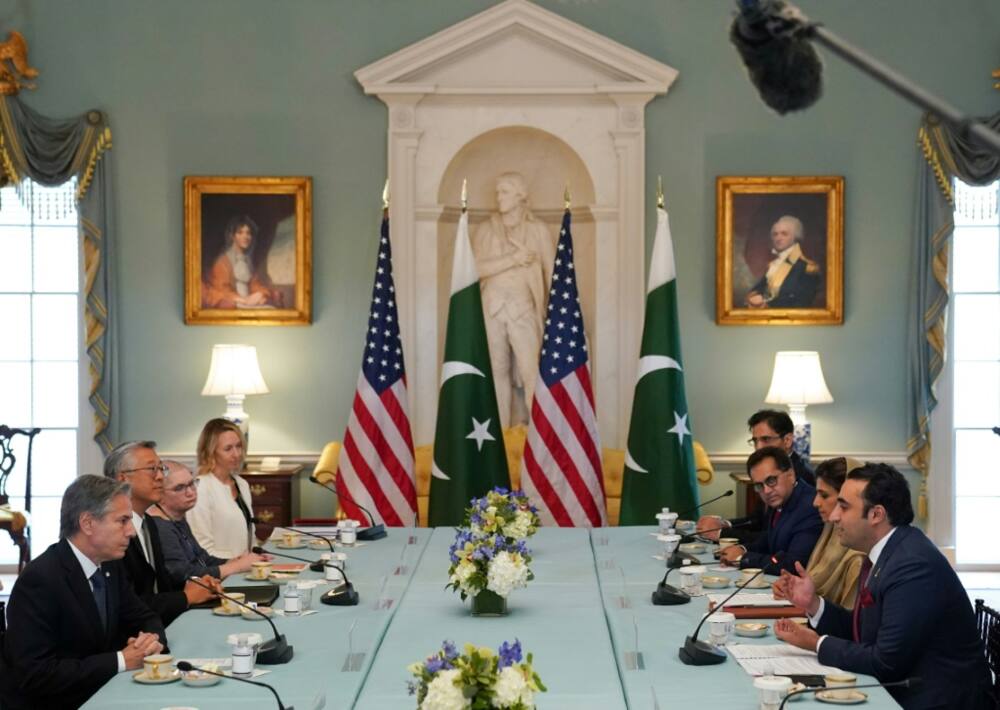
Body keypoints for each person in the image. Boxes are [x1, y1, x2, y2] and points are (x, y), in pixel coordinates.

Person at [773, 463, 993, 709]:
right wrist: (813, 605)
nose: (834, 515)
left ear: (876, 514)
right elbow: (867, 631)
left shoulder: (912, 566)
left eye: (844, 507)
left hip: (936, 700)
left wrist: (815, 643)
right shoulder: (890, 551)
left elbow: (884, 662)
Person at [0, 476, 167, 709]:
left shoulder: (110, 564)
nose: (130, 531)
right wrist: (121, 660)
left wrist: (149, 642)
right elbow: (36, 674)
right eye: (122, 521)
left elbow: (145, 616)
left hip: (100, 693)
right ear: (87, 523)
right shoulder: (41, 579)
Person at [472, 172, 556, 427]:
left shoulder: (538, 231)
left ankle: (541, 436)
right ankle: (499, 435)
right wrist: (512, 260)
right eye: (497, 192)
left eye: (505, 191)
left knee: (532, 372)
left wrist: (556, 315)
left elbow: (553, 274)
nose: (499, 197)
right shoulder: (486, 229)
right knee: (496, 373)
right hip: (492, 308)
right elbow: (474, 270)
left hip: (524, 309)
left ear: (521, 196)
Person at [104, 440, 218, 625]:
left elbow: (161, 588)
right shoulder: (110, 533)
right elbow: (127, 605)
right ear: (123, 478)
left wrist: (199, 585)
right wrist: (186, 596)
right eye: (152, 470)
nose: (159, 477)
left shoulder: (149, 523)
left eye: (161, 469)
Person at [698, 409, 815, 543]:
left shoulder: (802, 475)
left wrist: (721, 533)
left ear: (787, 440)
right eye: (755, 441)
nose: (759, 447)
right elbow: (758, 519)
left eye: (766, 439)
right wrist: (726, 524)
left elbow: (773, 537)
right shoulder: (764, 473)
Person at [149, 460, 267, 586]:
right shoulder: (160, 527)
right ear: (159, 493)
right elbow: (184, 575)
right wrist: (236, 567)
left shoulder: (177, 517)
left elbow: (203, 560)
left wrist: (235, 561)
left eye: (191, 483)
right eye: (179, 488)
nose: (190, 492)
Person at [772, 456, 865, 608]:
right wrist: (793, 588)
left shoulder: (858, 559)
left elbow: (850, 624)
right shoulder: (829, 534)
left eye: (824, 495)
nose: (815, 502)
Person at [717, 447, 823, 575]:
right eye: (759, 485)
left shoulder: (810, 506)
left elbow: (794, 564)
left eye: (771, 480)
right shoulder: (782, 498)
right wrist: (742, 549)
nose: (766, 491)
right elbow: (771, 540)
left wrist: (743, 558)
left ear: (790, 475)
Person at [187, 418, 262, 558]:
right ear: (210, 452)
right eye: (228, 449)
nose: (237, 454)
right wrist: (239, 563)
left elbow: (250, 539)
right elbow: (202, 549)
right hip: (219, 574)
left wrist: (259, 556)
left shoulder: (242, 484)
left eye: (239, 446)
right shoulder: (200, 488)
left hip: (246, 571)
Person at [202, 214, 283, 309]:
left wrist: (261, 294)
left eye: (248, 233)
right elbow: (222, 291)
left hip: (249, 301)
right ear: (232, 236)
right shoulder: (222, 262)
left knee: (271, 309)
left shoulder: (247, 260)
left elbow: (254, 284)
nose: (245, 236)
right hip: (235, 303)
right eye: (240, 233)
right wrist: (244, 300)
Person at [745, 215, 820, 309]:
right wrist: (754, 298)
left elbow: (802, 303)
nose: (778, 238)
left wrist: (767, 305)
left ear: (795, 237)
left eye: (784, 234)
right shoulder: (773, 265)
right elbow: (759, 288)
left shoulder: (807, 268)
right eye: (775, 234)